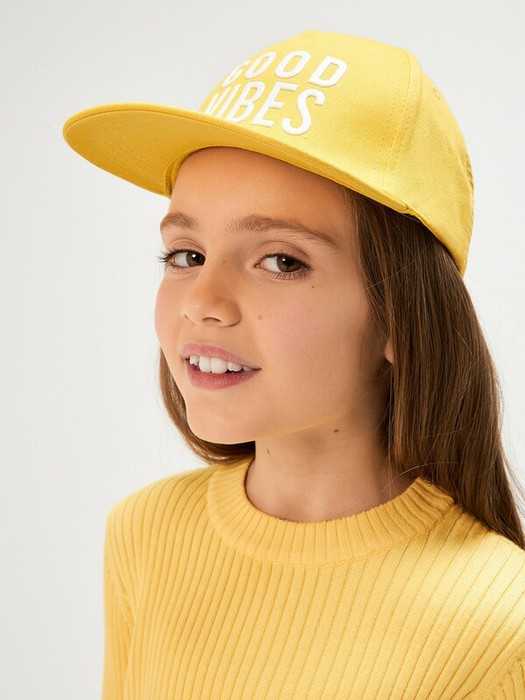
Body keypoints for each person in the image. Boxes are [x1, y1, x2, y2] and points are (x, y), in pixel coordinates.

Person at [63, 30, 525, 699]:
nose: (202, 302)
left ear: (402, 318)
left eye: (281, 261)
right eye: (187, 254)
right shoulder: (145, 534)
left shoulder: (500, 627)